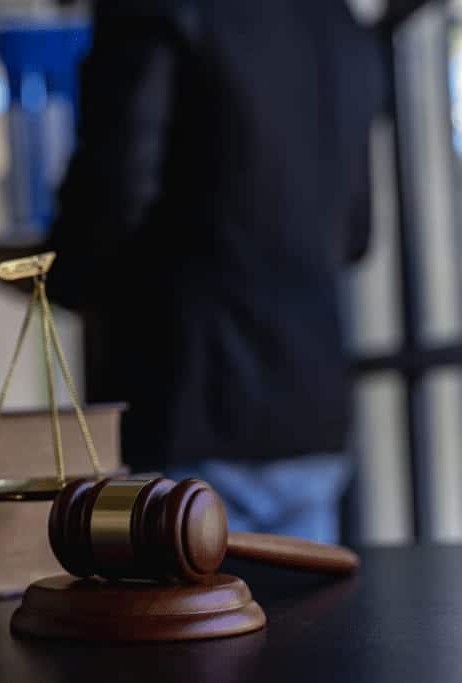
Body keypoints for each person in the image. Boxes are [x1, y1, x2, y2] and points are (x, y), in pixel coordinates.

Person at [47, 0, 428, 542]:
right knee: (305, 622)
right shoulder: (337, 22)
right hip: (311, 412)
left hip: (185, 400)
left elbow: (115, 190)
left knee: (187, 621)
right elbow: (354, 236)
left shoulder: (157, 11)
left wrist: (57, 277)